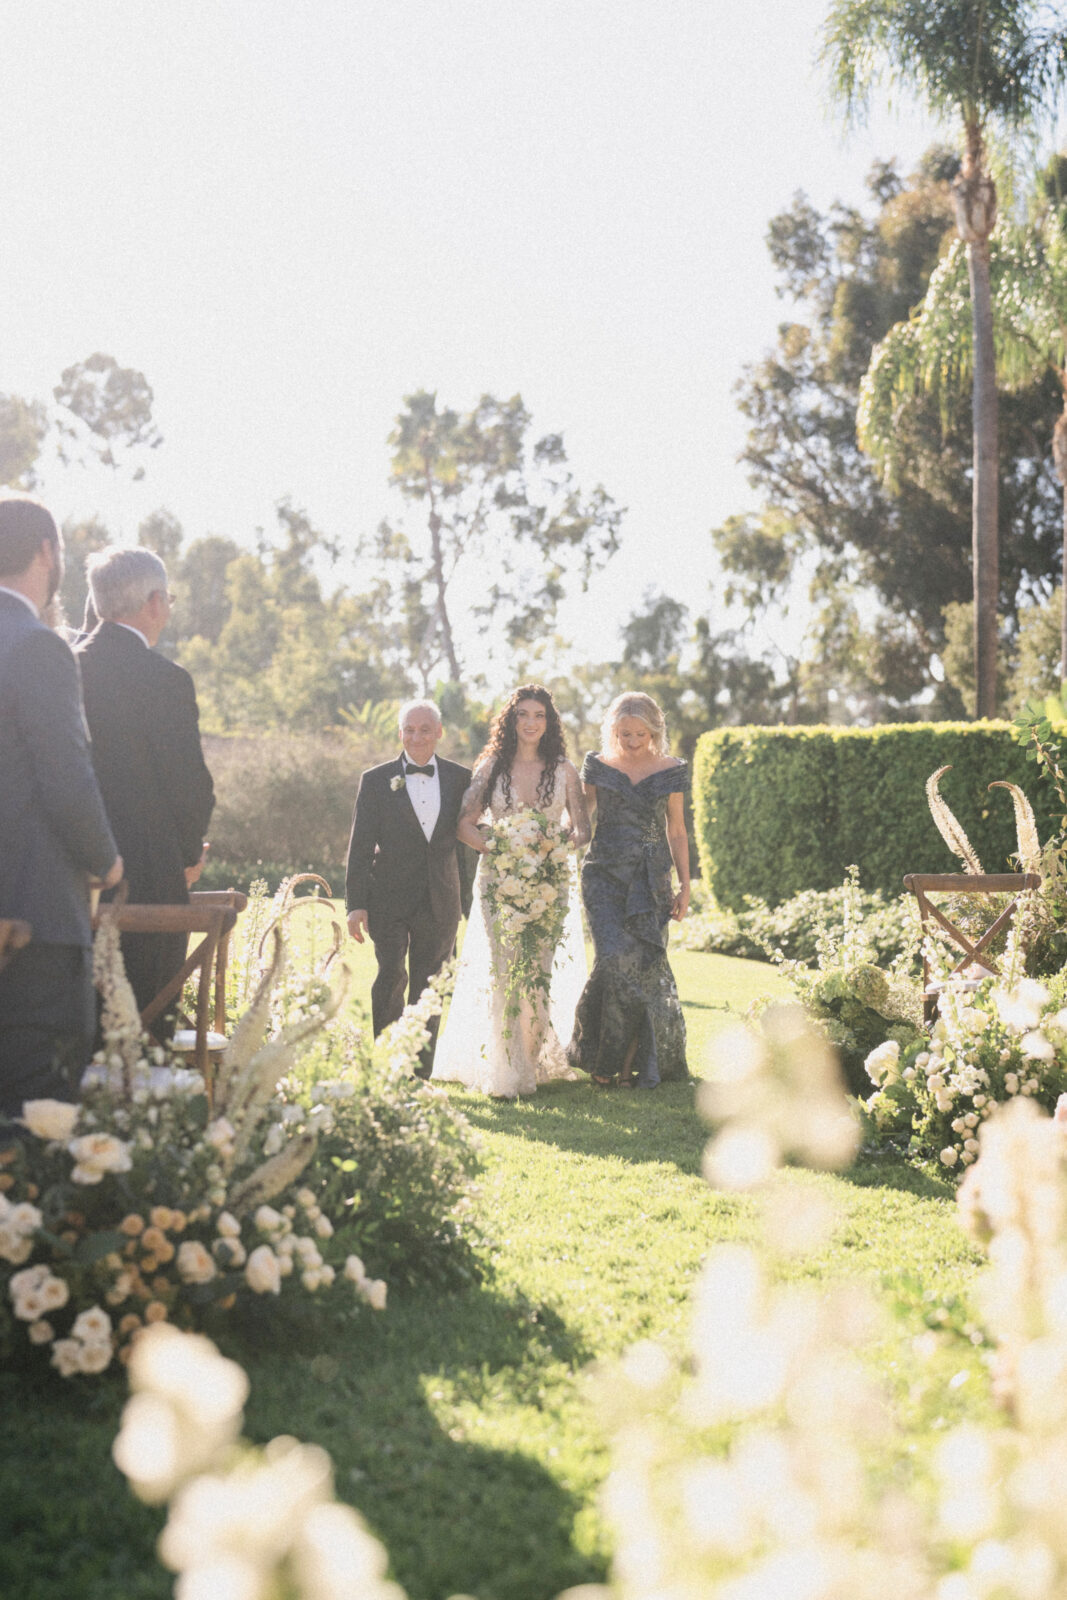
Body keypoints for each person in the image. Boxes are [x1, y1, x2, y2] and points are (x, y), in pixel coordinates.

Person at [0, 495, 123, 1117]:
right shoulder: (36, 645)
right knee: (32, 1118)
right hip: (32, 920)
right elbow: (66, 778)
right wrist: (107, 860)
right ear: (47, 553)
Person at [76, 547, 215, 1021]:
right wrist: (188, 854)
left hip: (70, 876)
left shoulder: (63, 667)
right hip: (149, 879)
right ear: (154, 602)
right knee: (145, 1021)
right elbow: (189, 785)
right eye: (169, 599)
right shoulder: (166, 680)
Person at [432, 684, 590, 1099]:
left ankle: (531, 1061)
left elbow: (583, 829)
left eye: (539, 715)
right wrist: (499, 846)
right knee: (504, 970)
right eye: (523, 715)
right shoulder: (490, 767)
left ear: (549, 722)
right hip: (498, 879)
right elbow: (464, 823)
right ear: (511, 720)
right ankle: (507, 1067)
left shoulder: (564, 770)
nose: (531, 723)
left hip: (549, 884)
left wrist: (552, 847)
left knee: (537, 971)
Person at [568, 692, 690, 1088]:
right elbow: (581, 819)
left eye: (640, 734)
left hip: (651, 879)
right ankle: (601, 1058)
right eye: (624, 734)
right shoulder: (598, 767)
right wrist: (552, 840)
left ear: (654, 731)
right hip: (603, 876)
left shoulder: (671, 770)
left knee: (641, 972)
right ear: (612, 730)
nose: (633, 741)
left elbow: (676, 829)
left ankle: (625, 1068)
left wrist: (685, 885)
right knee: (613, 960)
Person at [345, 700, 473, 1076]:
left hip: (441, 898)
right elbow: (359, 845)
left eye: (425, 729)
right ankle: (387, 1065)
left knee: (430, 986)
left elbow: (466, 846)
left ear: (439, 732)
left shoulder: (459, 778)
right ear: (400, 733)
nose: (417, 736)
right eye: (410, 730)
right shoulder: (375, 779)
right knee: (390, 976)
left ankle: (419, 1072)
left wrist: (469, 901)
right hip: (387, 897)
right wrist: (355, 904)